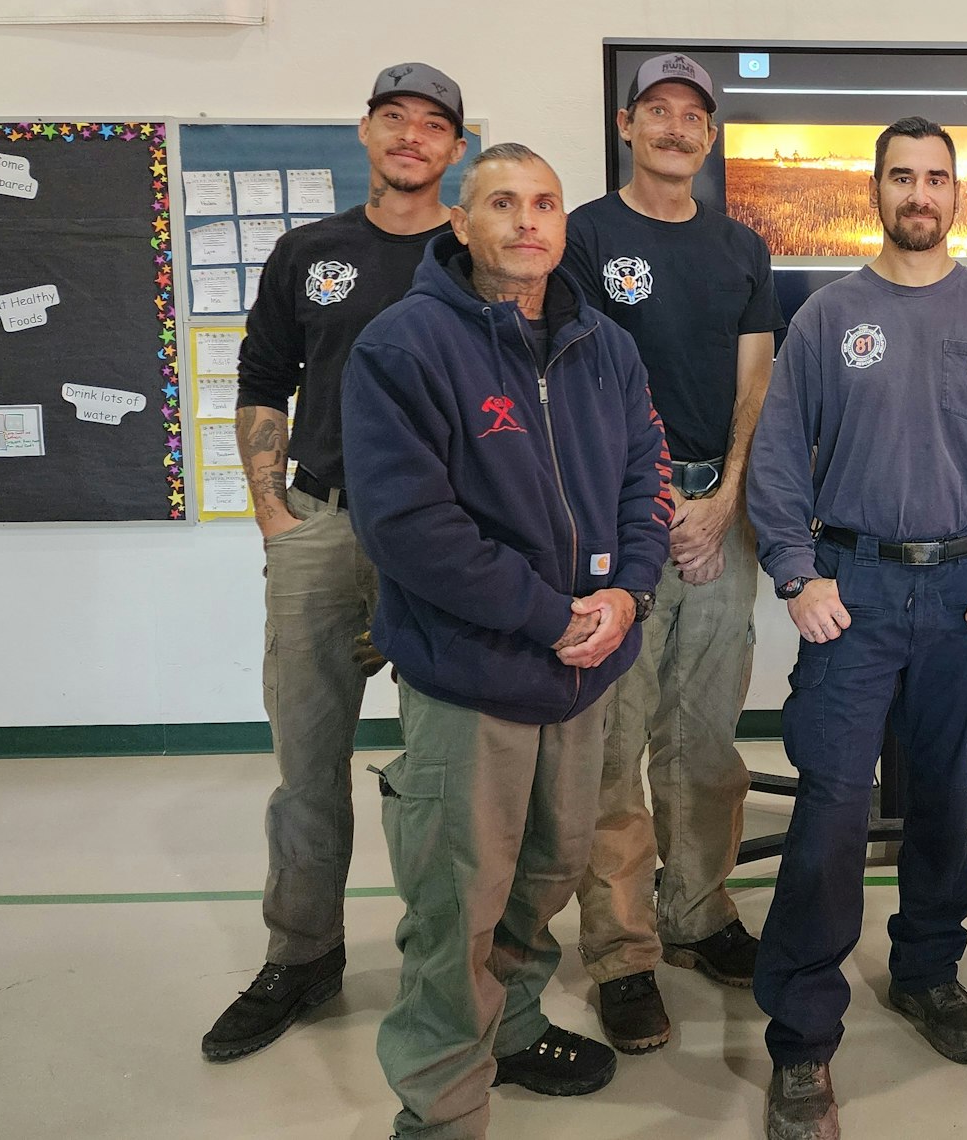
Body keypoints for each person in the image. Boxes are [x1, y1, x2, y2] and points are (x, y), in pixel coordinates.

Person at [746, 117, 967, 1140]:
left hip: (964, 593)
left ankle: (927, 972)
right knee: (832, 813)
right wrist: (795, 574)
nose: (919, 193)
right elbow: (776, 463)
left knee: (941, 801)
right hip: (849, 593)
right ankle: (802, 1038)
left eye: (936, 177)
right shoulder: (826, 317)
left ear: (956, 194)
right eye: (902, 177)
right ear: (877, 191)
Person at [341, 143, 674, 1139]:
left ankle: (517, 1028)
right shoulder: (403, 349)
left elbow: (641, 482)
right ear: (461, 222)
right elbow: (409, 530)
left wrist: (627, 600)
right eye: (501, 203)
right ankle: (442, 1111)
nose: (526, 221)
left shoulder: (603, 346)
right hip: (471, 680)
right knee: (457, 906)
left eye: (542, 203)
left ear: (562, 224)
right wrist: (550, 614)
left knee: (543, 880)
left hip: (582, 679)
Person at [205, 62, 468, 1062]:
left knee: (439, 770)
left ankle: (444, 963)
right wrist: (274, 514)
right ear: (365, 132)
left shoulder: (474, 255)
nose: (411, 136)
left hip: (443, 546)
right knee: (307, 767)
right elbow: (263, 377)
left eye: (433, 124)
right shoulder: (308, 252)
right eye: (393, 118)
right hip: (322, 526)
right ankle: (303, 956)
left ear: (456, 147)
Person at [560, 53, 784, 1052]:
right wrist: (653, 503)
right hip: (618, 520)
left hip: (719, 513)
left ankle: (698, 912)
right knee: (616, 744)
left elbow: (756, 374)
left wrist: (727, 492)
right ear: (626, 123)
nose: (675, 128)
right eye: (657, 110)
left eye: (692, 115)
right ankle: (621, 950)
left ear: (708, 134)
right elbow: (571, 385)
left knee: (705, 737)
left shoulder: (741, 248)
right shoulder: (579, 241)